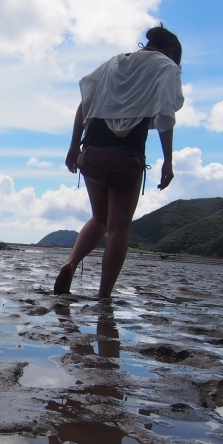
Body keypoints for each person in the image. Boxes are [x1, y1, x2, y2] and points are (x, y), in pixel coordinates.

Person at [55, 26, 182, 298]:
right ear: (171, 51)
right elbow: (164, 117)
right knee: (119, 227)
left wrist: (73, 147)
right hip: (126, 154)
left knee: (99, 217)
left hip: (92, 149)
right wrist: (168, 161)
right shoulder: (166, 66)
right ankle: (104, 295)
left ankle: (71, 263)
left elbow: (84, 105)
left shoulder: (114, 62)